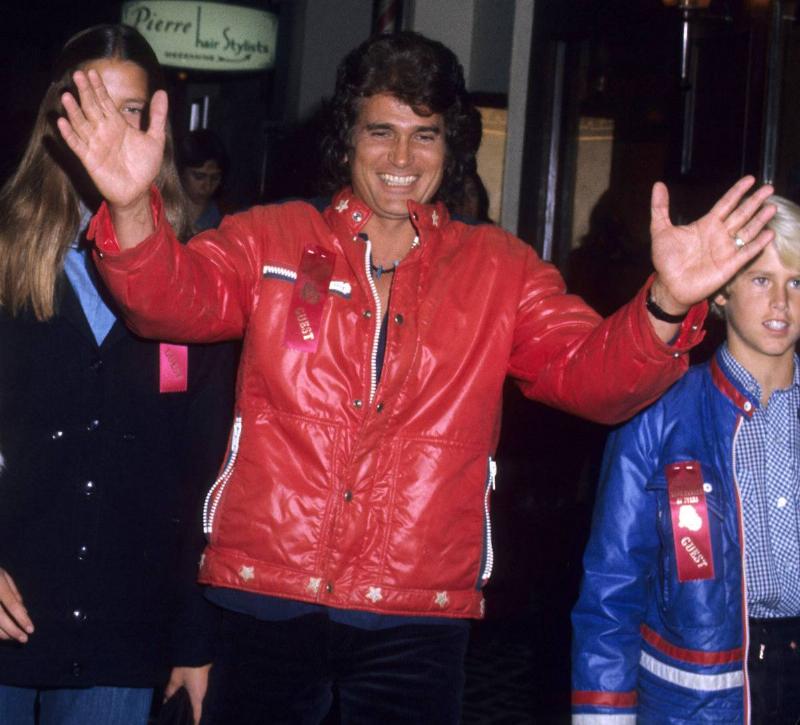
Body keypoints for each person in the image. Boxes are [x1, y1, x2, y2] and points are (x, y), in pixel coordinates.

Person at [57, 30, 775, 724]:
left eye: (425, 133)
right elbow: (167, 302)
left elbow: (591, 377)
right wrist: (129, 205)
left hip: (416, 613)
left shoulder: (501, 268)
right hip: (264, 592)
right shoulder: (270, 236)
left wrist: (666, 303)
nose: (402, 156)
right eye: (380, 131)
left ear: (450, 145)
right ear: (348, 138)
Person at [0, 24, 234, 725]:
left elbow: (204, 465)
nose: (110, 126)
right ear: (56, 115)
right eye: (91, 101)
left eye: (130, 109)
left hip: (125, 627)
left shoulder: (198, 267)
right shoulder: (5, 251)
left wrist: (194, 633)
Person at [571, 196, 800, 723]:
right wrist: (603, 712)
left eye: (795, 282)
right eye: (761, 280)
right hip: (697, 703)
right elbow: (612, 585)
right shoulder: (659, 414)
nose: (781, 304)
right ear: (721, 290)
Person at [177, 129, 227, 233]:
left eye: (214, 178)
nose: (207, 186)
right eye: (199, 176)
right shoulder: (162, 212)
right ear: (181, 173)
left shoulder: (225, 218)